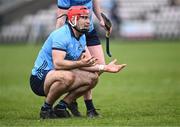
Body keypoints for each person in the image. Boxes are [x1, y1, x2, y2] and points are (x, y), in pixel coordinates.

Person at [29, 6, 126, 119]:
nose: (88, 21)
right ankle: (46, 109)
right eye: (83, 18)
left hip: (57, 75)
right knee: (68, 76)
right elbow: (58, 64)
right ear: (73, 20)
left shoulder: (81, 37)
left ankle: (62, 106)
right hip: (40, 79)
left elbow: (87, 64)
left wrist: (105, 68)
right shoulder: (61, 34)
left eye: (88, 18)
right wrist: (80, 64)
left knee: (93, 78)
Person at [56, 0, 111, 118]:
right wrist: (57, 40)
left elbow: (94, 1)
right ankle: (90, 109)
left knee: (100, 66)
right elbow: (61, 18)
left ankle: (68, 100)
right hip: (75, 32)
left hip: (89, 29)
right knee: (90, 69)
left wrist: (101, 18)